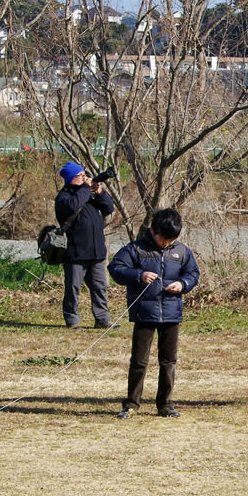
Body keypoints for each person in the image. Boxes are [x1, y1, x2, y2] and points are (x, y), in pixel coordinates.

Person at [108, 208, 200, 418]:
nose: (166, 243)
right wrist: (138, 274)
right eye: (163, 239)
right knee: (139, 360)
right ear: (152, 230)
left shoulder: (182, 252)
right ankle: (131, 404)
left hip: (171, 313)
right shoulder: (135, 249)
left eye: (171, 240)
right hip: (144, 314)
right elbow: (116, 268)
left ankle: (165, 404)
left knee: (168, 360)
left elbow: (193, 273)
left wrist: (183, 284)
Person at [54, 161, 116, 329]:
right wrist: (85, 188)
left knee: (99, 288)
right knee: (73, 289)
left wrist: (99, 191)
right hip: (76, 253)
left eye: (84, 175)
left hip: (96, 252)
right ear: (69, 179)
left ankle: (102, 319)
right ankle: (72, 320)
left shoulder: (86, 194)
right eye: (79, 176)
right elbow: (74, 205)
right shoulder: (64, 197)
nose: (84, 178)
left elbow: (108, 208)